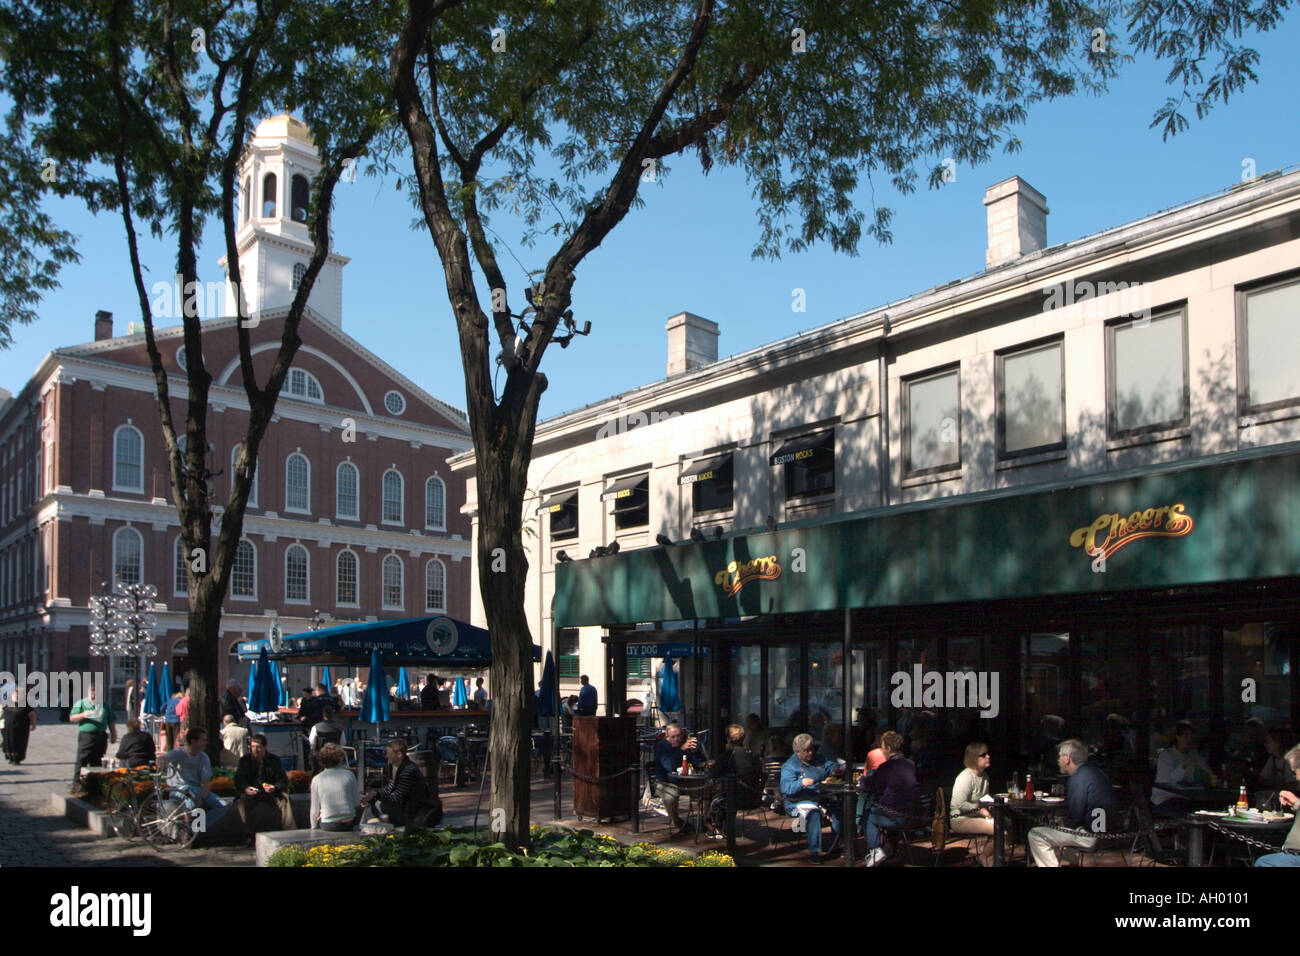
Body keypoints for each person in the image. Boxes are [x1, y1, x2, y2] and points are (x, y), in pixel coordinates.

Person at [1027, 739, 1114, 867]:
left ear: (1067, 758)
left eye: (1059, 756)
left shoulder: (1078, 778)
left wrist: (1060, 823)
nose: (1058, 760)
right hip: (1107, 833)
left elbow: (1075, 817)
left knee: (1035, 834)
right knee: (1065, 830)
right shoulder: (1098, 773)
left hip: (1089, 835)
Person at [859, 730, 916, 867]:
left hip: (895, 816)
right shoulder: (911, 764)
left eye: (883, 747)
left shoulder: (887, 767)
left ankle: (875, 850)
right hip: (911, 813)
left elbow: (869, 784)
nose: (882, 751)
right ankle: (890, 850)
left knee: (868, 815)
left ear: (889, 749)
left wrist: (862, 780)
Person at [781, 732, 840, 862]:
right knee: (813, 813)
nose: (810, 753)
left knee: (839, 809)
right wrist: (801, 783)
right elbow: (785, 788)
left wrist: (836, 769)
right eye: (806, 751)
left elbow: (829, 765)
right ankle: (815, 852)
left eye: (811, 749)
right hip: (797, 801)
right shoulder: (789, 766)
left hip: (820, 796)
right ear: (798, 752)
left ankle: (834, 845)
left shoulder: (817, 758)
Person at [361, 737, 442, 827]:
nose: (386, 756)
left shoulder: (408, 772)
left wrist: (375, 798)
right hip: (409, 809)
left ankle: (368, 831)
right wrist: (374, 793)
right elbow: (390, 787)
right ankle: (372, 829)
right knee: (372, 805)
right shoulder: (405, 766)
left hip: (412, 813)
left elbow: (396, 800)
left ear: (399, 754)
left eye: (388, 753)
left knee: (373, 806)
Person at [157, 728, 228, 827]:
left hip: (196, 790)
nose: (206, 743)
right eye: (203, 740)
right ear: (193, 741)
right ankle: (189, 827)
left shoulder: (203, 758)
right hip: (178, 789)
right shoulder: (178, 753)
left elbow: (206, 782)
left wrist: (202, 799)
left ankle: (195, 828)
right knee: (190, 791)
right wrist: (162, 762)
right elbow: (163, 758)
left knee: (222, 805)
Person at [231, 733, 296, 834]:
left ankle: (290, 831)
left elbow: (283, 779)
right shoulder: (245, 760)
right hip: (252, 792)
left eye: (258, 747)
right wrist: (246, 788)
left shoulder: (274, 760)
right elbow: (238, 779)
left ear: (265, 747)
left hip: (270, 792)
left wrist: (275, 787)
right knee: (242, 803)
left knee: (285, 800)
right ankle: (248, 834)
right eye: (252, 747)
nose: (255, 750)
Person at [707, 723, 764, 836]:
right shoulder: (752, 755)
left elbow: (712, 773)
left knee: (714, 795)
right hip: (752, 797)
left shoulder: (727, 756)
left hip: (732, 798)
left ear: (728, 739)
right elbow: (759, 774)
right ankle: (724, 827)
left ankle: (715, 826)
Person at [1151, 720, 1215, 818]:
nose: (1189, 739)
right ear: (1177, 737)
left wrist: (1208, 777)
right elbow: (1169, 781)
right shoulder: (1166, 755)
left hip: (1187, 798)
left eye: (1191, 736)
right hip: (1164, 798)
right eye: (1186, 736)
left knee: (1207, 810)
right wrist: (1185, 764)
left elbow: (1209, 774)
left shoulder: (1195, 755)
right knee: (1187, 813)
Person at [652, 723, 707, 834]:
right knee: (671, 796)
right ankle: (677, 822)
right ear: (667, 737)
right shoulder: (664, 746)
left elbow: (698, 762)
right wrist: (681, 750)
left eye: (678, 736)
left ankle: (708, 820)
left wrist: (695, 751)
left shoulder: (686, 743)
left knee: (707, 789)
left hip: (686, 781)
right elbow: (669, 766)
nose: (677, 739)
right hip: (666, 782)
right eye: (673, 737)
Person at [1254, 744, 1300, 867]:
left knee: (1264, 863)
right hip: (1291, 854)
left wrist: (1296, 802)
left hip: (1295, 856)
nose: (1296, 778)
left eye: (1295, 772)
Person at [950, 741, 994, 866]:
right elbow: (959, 804)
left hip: (978, 816)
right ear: (974, 758)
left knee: (1008, 823)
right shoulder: (966, 777)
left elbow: (983, 799)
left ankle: (989, 857)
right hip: (960, 818)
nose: (988, 756)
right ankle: (985, 857)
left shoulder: (984, 776)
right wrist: (979, 809)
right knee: (1000, 828)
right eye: (983, 755)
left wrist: (989, 805)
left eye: (988, 754)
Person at [69, 681, 116, 789]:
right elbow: (72, 718)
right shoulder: (81, 703)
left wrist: (113, 734)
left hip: (101, 735)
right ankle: (76, 783)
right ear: (88, 692)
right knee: (82, 759)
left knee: (98, 760)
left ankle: (94, 784)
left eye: (96, 692)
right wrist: (84, 714)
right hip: (87, 735)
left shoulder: (105, 706)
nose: (94, 695)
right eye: (92, 692)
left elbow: (111, 721)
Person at [311, 743, 360, 831]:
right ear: (340, 759)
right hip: (349, 821)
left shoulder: (317, 779)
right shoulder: (349, 775)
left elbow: (314, 809)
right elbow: (356, 802)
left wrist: (313, 827)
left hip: (328, 823)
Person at [1255, 729, 1297, 795]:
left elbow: (1292, 785)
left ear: (1278, 743)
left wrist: (1273, 783)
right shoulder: (1272, 759)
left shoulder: (1290, 760)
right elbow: (1262, 779)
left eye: (1268, 742)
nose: (1265, 744)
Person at [2, 684, 36, 765]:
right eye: (16, 694)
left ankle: (17, 759)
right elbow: (1, 710)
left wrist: (34, 724)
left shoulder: (26, 703)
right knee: (7, 742)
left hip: (21, 727)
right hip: (7, 727)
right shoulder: (7, 700)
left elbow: (32, 714)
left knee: (19, 742)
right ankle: (10, 757)